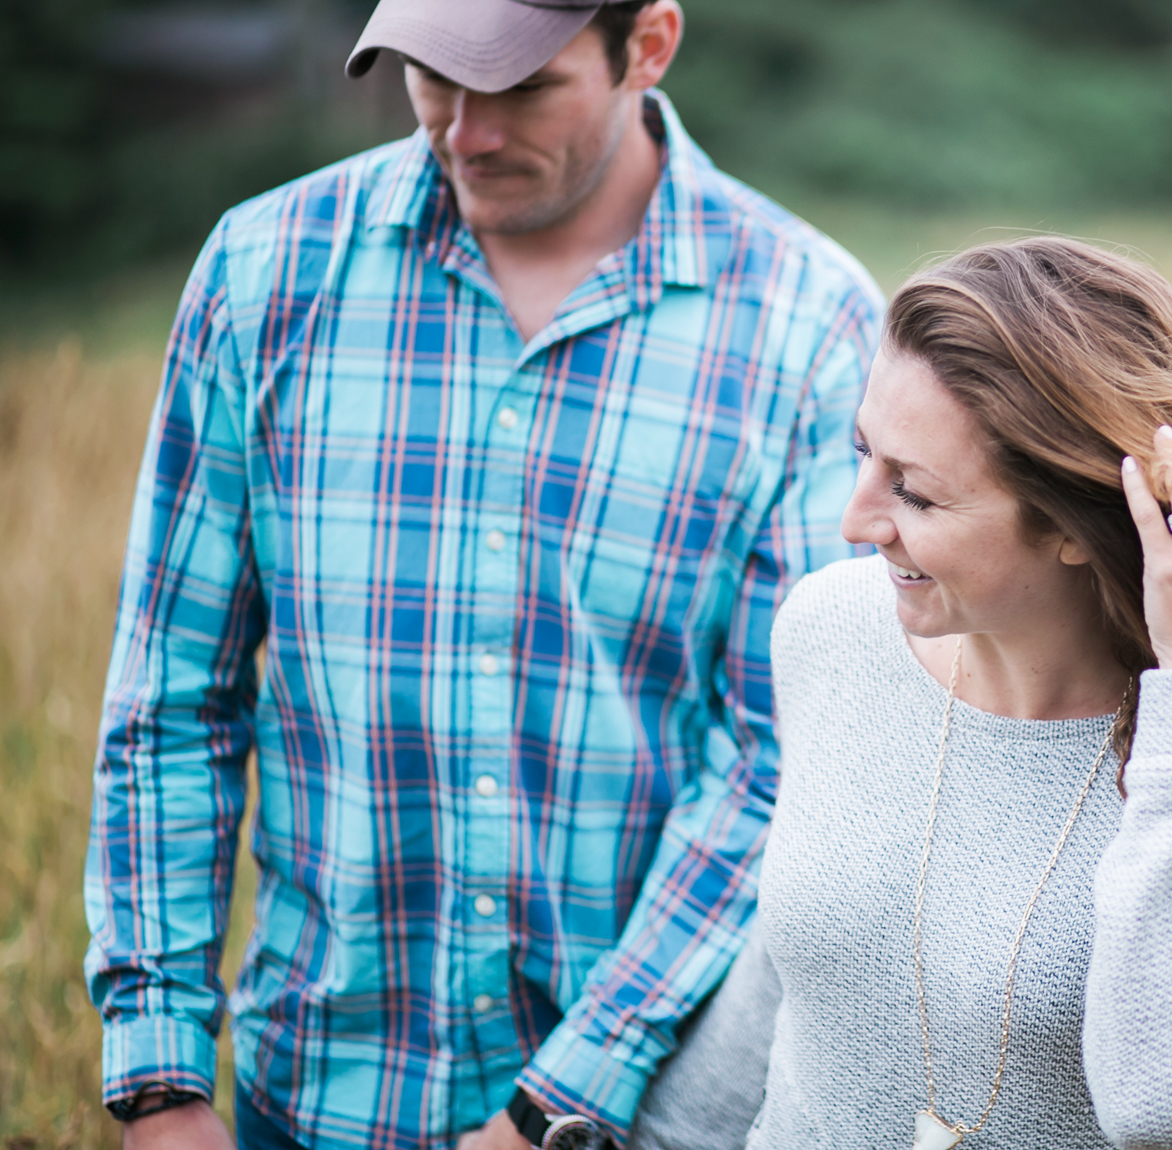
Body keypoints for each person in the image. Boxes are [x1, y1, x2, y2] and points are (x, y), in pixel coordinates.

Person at [82, 1, 882, 1148]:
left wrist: (560, 1096)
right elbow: (169, 702)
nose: (463, 132)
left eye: (520, 89)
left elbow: (782, 762)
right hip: (308, 1097)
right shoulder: (261, 277)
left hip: (635, 1114)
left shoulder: (811, 328)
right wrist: (160, 1081)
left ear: (647, 45)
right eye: (430, 79)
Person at [626, 236, 1172, 1150]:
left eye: (913, 493)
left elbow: (1164, 1105)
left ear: (1075, 524)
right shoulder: (829, 628)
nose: (856, 519)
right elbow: (793, 972)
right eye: (862, 452)